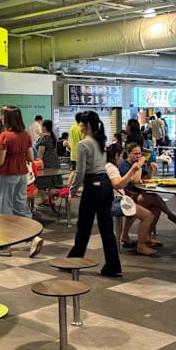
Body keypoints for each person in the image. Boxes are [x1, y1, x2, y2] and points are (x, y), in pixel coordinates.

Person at [68, 111, 121, 277]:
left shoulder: (83, 144)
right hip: (105, 185)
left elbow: (80, 171)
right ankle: (113, 266)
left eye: (81, 123)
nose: (79, 126)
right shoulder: (101, 142)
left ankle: (73, 262)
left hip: (92, 187)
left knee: (84, 227)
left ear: (88, 125)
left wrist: (72, 190)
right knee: (107, 229)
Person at [0, 106, 42, 257]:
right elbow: (31, 158)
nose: (1, 119)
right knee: (20, 206)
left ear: (7, 119)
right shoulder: (25, 135)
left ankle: (4, 246)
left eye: (3, 116)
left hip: (7, 174)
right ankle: (33, 237)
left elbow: (0, 161)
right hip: (22, 174)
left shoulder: (4, 136)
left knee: (4, 207)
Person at [118, 142, 176, 237]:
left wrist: (151, 169)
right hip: (128, 195)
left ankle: (146, 236)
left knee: (156, 209)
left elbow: (146, 179)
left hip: (138, 193)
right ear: (128, 153)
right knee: (154, 198)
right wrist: (139, 165)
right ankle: (170, 215)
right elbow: (135, 180)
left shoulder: (136, 164)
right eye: (135, 154)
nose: (138, 156)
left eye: (140, 153)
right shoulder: (124, 165)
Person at [105, 145, 157, 255]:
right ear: (117, 155)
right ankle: (141, 246)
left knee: (153, 205)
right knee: (148, 215)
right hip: (115, 202)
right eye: (121, 156)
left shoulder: (110, 166)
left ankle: (138, 238)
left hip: (118, 198)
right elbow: (118, 184)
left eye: (139, 153)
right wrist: (134, 168)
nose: (121, 158)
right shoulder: (112, 167)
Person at [35, 120, 63, 206]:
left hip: (46, 162)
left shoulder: (44, 138)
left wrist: (38, 162)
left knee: (40, 181)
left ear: (44, 127)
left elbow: (41, 152)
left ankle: (44, 199)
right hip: (54, 161)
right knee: (52, 182)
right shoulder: (52, 136)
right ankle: (52, 201)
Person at [68, 112, 84, 187]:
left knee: (73, 171)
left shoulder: (72, 127)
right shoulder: (81, 129)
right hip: (81, 154)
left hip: (73, 154)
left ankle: (68, 187)